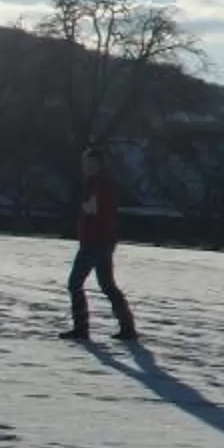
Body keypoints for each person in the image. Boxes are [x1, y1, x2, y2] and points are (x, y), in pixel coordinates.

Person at [68, 146, 139, 341]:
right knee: (107, 285)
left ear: (99, 165)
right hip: (101, 241)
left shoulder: (100, 186)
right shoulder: (95, 184)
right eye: (85, 164)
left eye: (91, 164)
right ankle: (127, 327)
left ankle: (81, 328)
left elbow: (97, 213)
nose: (87, 167)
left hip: (95, 242)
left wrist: (89, 213)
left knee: (75, 283)